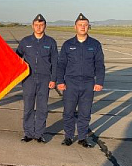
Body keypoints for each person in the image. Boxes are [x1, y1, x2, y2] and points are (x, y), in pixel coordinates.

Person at [57, 13, 105, 148]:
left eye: (85, 25)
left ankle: (82, 138)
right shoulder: (68, 44)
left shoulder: (95, 44)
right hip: (70, 83)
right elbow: (61, 64)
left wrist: (99, 82)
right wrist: (60, 81)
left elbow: (99, 65)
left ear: (88, 27)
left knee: (85, 112)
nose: (83, 27)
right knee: (68, 112)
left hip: (88, 83)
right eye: (80, 25)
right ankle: (68, 136)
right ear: (75, 27)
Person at [16, 14, 58, 143]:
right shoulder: (25, 41)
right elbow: (16, 57)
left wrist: (53, 79)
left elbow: (55, 62)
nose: (38, 27)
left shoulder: (50, 42)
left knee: (42, 108)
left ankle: (39, 133)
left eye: (41, 25)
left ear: (45, 26)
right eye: (36, 25)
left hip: (45, 79)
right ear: (32, 26)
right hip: (28, 79)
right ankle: (28, 133)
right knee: (28, 107)